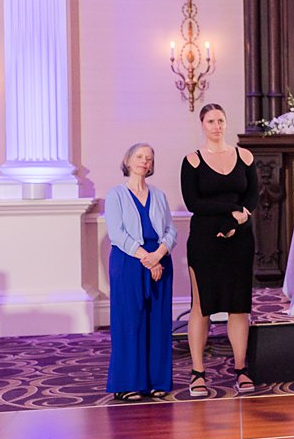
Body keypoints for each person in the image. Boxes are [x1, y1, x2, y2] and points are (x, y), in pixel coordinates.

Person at [181, 103, 258, 398]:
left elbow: (252, 197)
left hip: (240, 238)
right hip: (205, 240)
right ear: (202, 125)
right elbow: (194, 203)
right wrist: (232, 211)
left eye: (221, 120)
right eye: (211, 121)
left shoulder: (245, 157)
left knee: (239, 305)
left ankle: (241, 369)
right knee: (202, 307)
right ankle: (198, 373)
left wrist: (236, 220)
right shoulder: (192, 161)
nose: (217, 125)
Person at [104, 143, 176, 402]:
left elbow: (170, 230)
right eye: (139, 156)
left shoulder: (159, 195)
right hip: (128, 262)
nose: (144, 161)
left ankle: (157, 381)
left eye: (149, 158)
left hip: (160, 261)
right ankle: (127, 383)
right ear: (128, 160)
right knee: (129, 322)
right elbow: (117, 234)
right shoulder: (115, 195)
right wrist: (147, 258)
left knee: (158, 322)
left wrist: (159, 255)